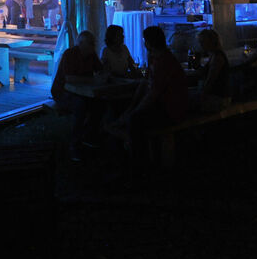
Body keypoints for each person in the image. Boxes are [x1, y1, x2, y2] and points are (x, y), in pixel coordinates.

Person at [113, 26, 190, 163]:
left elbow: (154, 93)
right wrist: (132, 105)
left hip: (170, 109)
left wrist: (134, 110)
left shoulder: (164, 62)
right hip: (163, 104)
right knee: (127, 111)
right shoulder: (156, 58)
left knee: (135, 121)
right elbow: (145, 82)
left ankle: (140, 161)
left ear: (149, 43)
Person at [50, 30, 105, 161]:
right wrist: (93, 80)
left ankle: (88, 135)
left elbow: (100, 71)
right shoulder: (70, 54)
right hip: (62, 92)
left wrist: (105, 73)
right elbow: (69, 78)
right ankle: (74, 145)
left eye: (93, 43)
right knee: (80, 105)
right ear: (81, 44)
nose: (93, 45)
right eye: (90, 43)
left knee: (100, 103)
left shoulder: (91, 55)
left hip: (82, 91)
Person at [190, 29, 230, 112]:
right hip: (217, 95)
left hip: (219, 98)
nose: (201, 45)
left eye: (202, 42)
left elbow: (210, 81)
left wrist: (201, 96)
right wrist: (197, 66)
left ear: (211, 42)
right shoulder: (213, 55)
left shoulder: (217, 58)